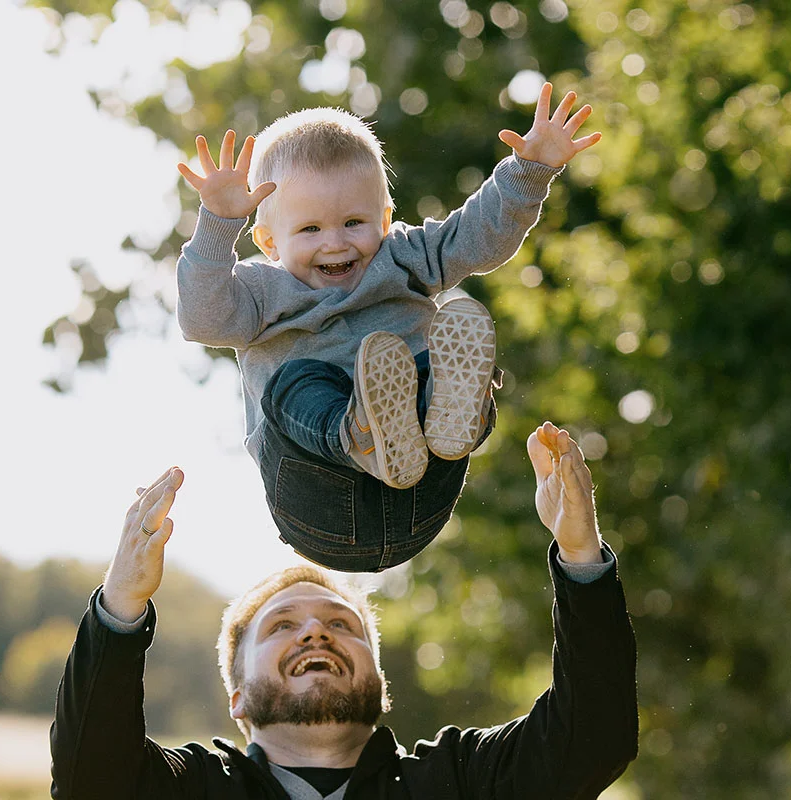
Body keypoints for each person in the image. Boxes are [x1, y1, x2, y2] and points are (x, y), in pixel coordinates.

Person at [50, 421, 638, 799]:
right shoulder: (194, 791)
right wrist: (121, 606)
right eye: (282, 625)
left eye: (341, 625)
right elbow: (91, 779)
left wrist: (581, 557)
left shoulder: (458, 783)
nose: (315, 631)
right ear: (236, 696)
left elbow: (592, 737)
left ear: (380, 683)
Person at [175, 83, 602, 572]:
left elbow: (476, 236)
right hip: (319, 503)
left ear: (385, 218)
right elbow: (202, 318)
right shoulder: (258, 291)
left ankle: (456, 417)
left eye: (354, 222)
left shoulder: (404, 255)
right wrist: (216, 225)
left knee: (434, 359)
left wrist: (530, 171)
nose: (335, 243)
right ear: (270, 241)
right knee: (296, 381)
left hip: (421, 495)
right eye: (310, 229)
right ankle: (357, 433)